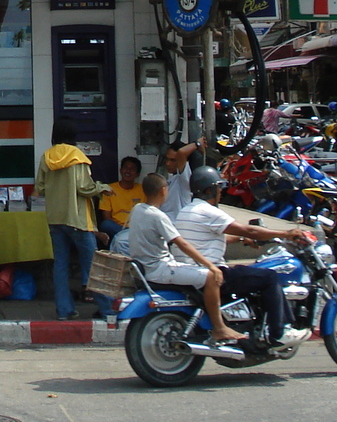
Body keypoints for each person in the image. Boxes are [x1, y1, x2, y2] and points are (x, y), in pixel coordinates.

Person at [175, 167, 313, 353]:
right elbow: (249, 230)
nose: (221, 191)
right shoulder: (209, 211)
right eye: (218, 187)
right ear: (209, 190)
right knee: (269, 277)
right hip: (213, 273)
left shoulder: (186, 211)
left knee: (250, 273)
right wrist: (286, 233)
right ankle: (279, 333)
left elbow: (214, 237)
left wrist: (242, 240)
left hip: (192, 272)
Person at [125, 173, 243, 345]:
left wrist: (238, 239)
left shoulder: (137, 210)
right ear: (164, 190)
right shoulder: (158, 216)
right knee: (211, 278)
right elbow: (182, 244)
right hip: (161, 269)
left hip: (147, 269)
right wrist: (211, 266)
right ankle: (219, 328)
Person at [34, 118, 109, 320]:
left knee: (60, 265)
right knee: (93, 266)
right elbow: (84, 188)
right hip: (77, 220)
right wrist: (102, 187)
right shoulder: (78, 156)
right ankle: (106, 309)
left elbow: (39, 188)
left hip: (55, 219)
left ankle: (64, 310)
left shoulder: (47, 156)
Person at [97, 156, 144, 254]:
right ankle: (127, 236)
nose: (128, 171)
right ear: (121, 170)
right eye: (126, 168)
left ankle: (125, 237)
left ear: (137, 174)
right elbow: (106, 217)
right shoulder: (109, 189)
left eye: (132, 169)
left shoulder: (143, 189)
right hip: (117, 227)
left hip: (136, 227)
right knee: (105, 224)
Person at [161, 140, 198, 219]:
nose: (168, 163)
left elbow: (181, 153)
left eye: (173, 160)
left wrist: (198, 143)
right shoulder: (171, 179)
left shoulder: (184, 179)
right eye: (167, 159)